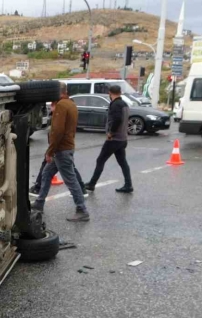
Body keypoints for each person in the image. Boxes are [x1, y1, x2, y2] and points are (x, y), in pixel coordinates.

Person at [31, 82, 89, 222]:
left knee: (70, 180)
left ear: (58, 92)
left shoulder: (62, 105)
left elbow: (57, 131)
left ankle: (82, 209)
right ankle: (39, 203)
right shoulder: (71, 103)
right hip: (65, 147)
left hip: (61, 149)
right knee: (46, 173)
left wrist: (50, 151)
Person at [85, 85, 133, 193]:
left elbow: (117, 119)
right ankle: (128, 185)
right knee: (123, 162)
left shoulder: (115, 104)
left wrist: (111, 132)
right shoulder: (125, 104)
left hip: (114, 139)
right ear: (120, 92)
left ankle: (92, 184)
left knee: (100, 160)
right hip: (123, 139)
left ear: (110, 93)